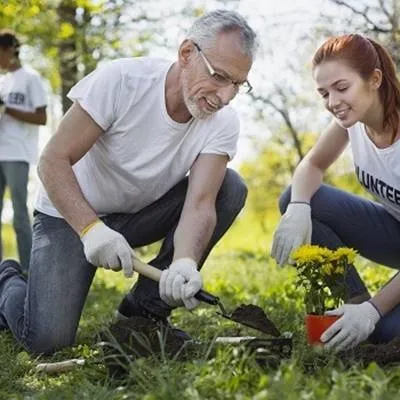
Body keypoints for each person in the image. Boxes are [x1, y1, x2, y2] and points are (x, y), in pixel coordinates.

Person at [0, 10, 257, 354]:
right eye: (219, 76)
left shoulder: (222, 121)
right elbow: (52, 160)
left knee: (231, 186)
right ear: (186, 54)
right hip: (68, 216)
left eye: (238, 85)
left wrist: (184, 261)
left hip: (137, 217)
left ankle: (142, 313)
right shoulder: (122, 81)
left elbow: (199, 202)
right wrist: (92, 230)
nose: (225, 97)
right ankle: (7, 280)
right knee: (47, 342)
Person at [271, 33, 400, 351]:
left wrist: (374, 313)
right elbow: (312, 165)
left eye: (342, 88)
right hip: (394, 232)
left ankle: (369, 312)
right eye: (324, 93)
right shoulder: (353, 122)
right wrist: (299, 207)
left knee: (384, 331)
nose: (332, 102)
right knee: (296, 196)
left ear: (375, 79)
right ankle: (355, 300)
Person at [0, 30, 47, 272]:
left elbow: (42, 117)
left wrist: (7, 109)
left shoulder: (31, 78)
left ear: (9, 50)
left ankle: (29, 270)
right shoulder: (2, 80)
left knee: (19, 215)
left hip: (17, 153)